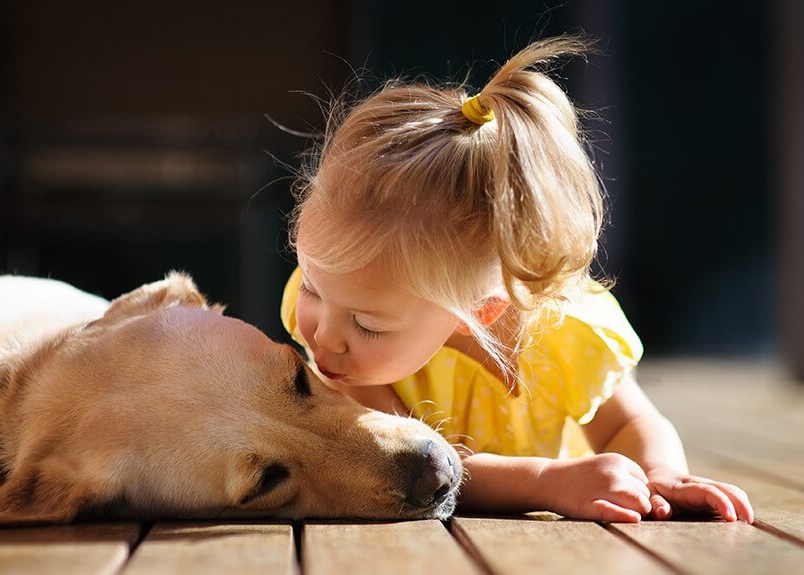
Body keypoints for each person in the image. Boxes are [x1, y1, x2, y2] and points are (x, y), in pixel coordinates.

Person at [279, 36, 753, 523]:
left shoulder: (568, 334)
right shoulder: (352, 364)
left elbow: (629, 424)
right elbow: (417, 470)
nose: (322, 334)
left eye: (367, 324)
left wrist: (661, 475)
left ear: (478, 312)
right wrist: (548, 482)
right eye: (313, 288)